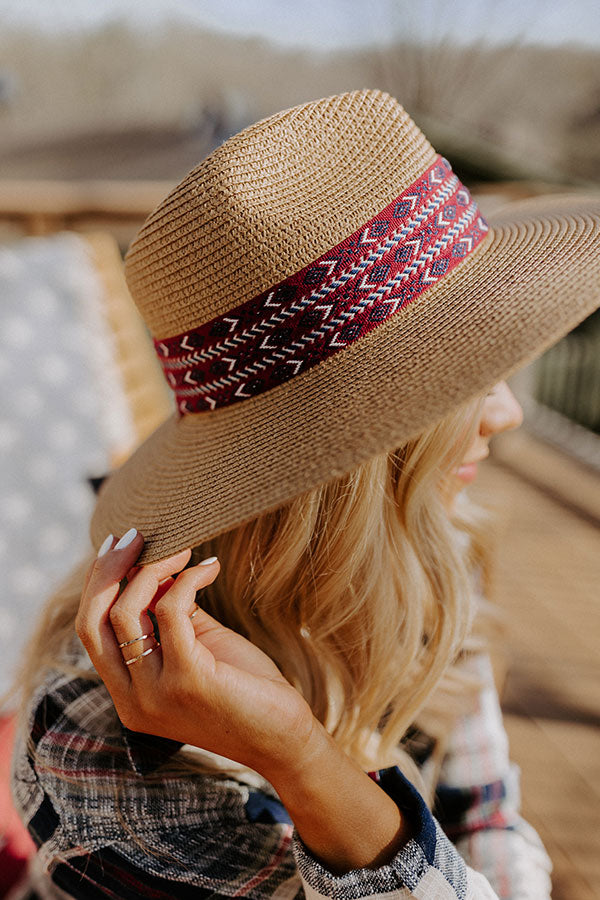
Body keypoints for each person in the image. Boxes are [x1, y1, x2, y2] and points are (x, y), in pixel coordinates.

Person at [9, 89, 600, 900]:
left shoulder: (435, 547)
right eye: (466, 382)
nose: (510, 411)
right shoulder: (100, 737)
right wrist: (300, 759)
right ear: (345, 462)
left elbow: (488, 818)